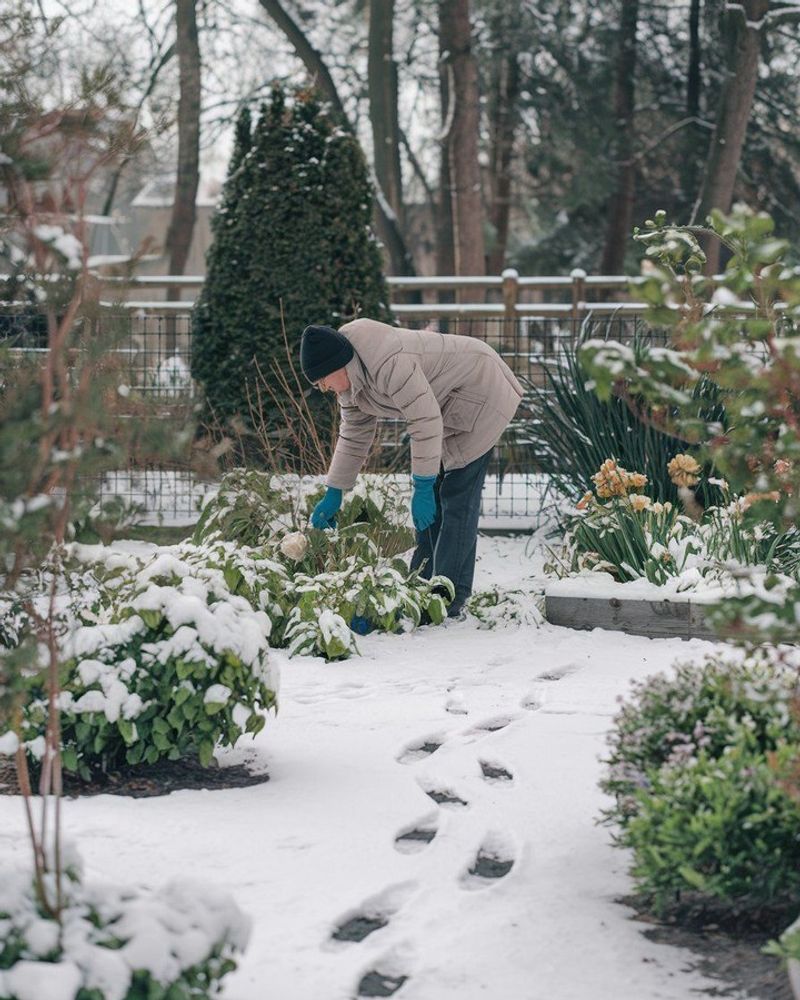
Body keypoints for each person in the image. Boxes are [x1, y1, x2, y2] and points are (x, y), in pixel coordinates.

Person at [299, 318, 523, 619]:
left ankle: (448, 594)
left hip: (481, 389)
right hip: (446, 405)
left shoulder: (388, 361)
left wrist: (422, 485)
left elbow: (424, 420)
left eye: (322, 380)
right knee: (436, 498)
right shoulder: (352, 384)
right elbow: (353, 435)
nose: (324, 388)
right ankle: (421, 582)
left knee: (456, 496)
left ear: (338, 365)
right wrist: (334, 491)